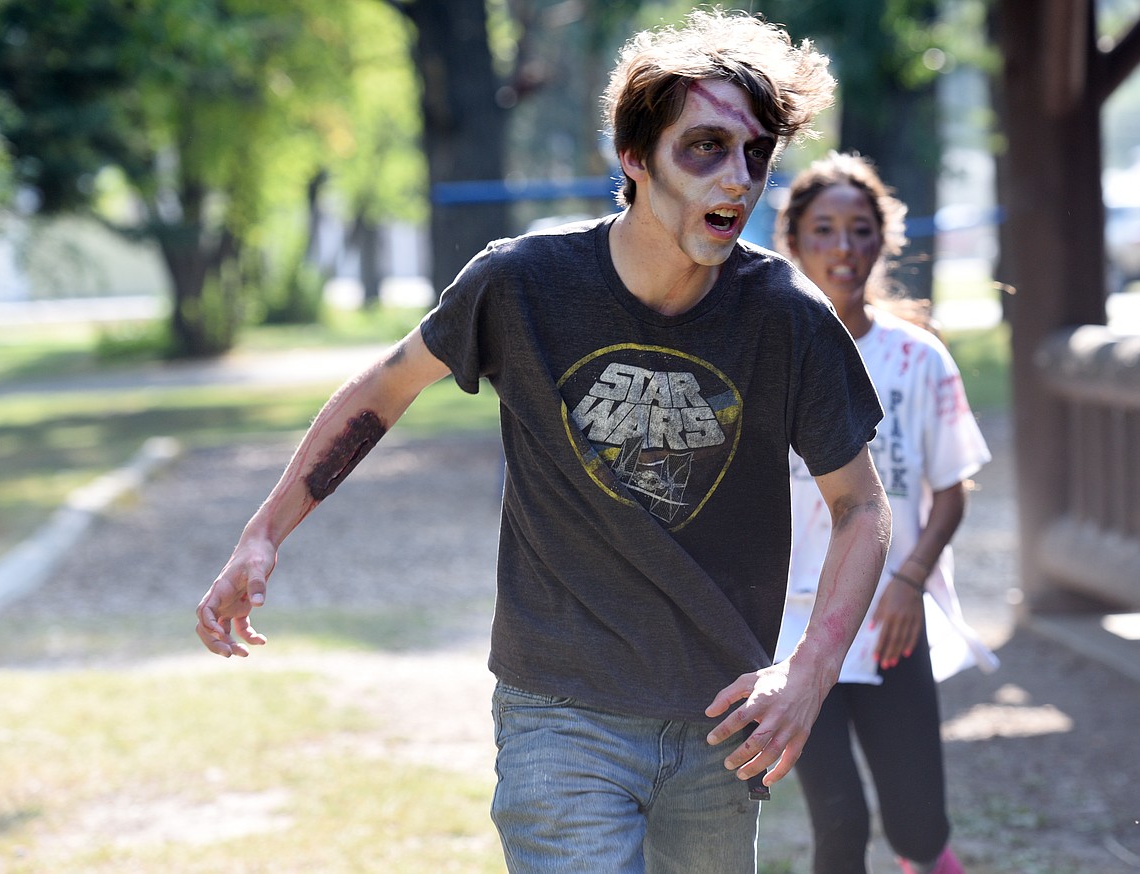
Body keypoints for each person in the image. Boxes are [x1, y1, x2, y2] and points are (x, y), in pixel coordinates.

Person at [196, 11, 893, 873]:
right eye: (704, 148)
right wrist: (263, 534)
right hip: (559, 710)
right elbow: (384, 389)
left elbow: (860, 505)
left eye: (756, 155)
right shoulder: (520, 284)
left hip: (721, 713)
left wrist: (811, 669)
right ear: (634, 158)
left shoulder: (787, 317)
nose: (738, 179)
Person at [772, 151, 997, 874]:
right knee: (840, 822)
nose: (844, 248)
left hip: (895, 623)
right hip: (798, 633)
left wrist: (910, 581)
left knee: (918, 830)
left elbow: (953, 488)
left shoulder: (918, 358)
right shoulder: (767, 354)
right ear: (795, 241)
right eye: (825, 230)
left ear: (883, 240)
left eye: (861, 230)